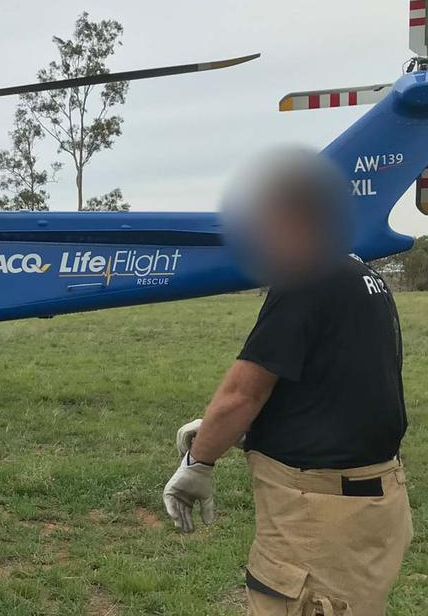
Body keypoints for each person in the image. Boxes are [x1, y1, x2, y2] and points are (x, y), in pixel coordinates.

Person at [163, 163, 411, 615]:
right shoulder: (362, 275)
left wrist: (199, 462)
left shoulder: (305, 277)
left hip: (319, 517)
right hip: (373, 505)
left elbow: (245, 392)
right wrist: (228, 430)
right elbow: (340, 386)